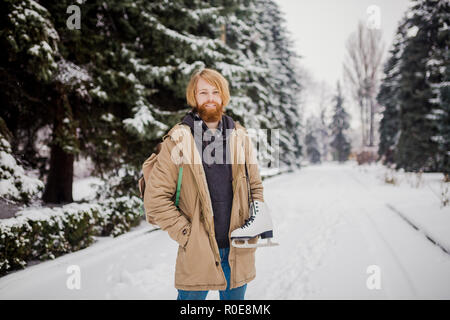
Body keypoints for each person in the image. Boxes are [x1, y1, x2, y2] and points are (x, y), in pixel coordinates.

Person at [144, 68, 264, 300]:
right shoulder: (178, 139)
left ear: (223, 96)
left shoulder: (239, 136)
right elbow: (155, 199)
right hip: (197, 251)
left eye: (215, 92)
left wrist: (255, 223)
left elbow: (255, 187)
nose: (210, 98)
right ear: (194, 97)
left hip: (237, 248)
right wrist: (187, 235)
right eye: (203, 92)